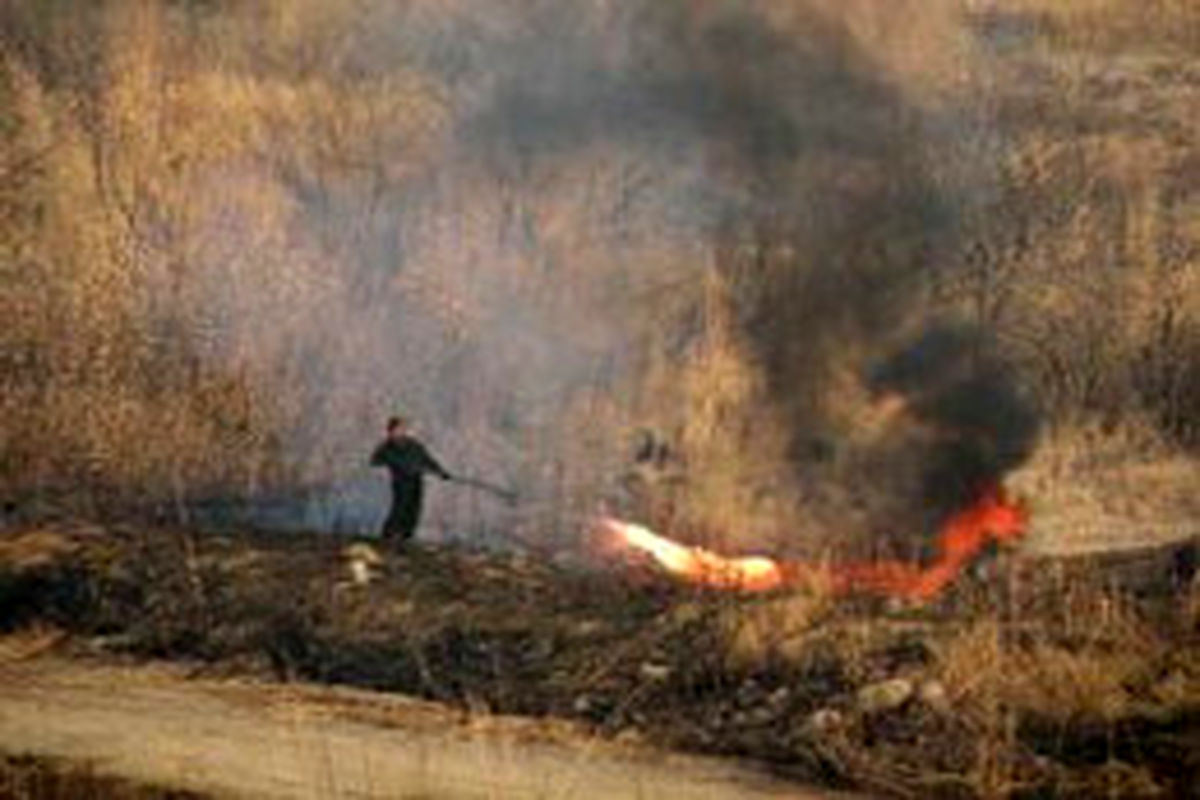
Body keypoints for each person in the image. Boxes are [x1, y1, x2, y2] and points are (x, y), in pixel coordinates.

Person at [369, 416, 453, 544]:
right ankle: (389, 535)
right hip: (400, 482)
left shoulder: (414, 445)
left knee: (414, 509)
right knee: (400, 507)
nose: (400, 431)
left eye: (402, 429)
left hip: (416, 480)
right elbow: (375, 461)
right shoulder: (387, 447)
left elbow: (427, 459)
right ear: (390, 430)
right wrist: (396, 462)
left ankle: (406, 536)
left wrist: (441, 472)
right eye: (397, 429)